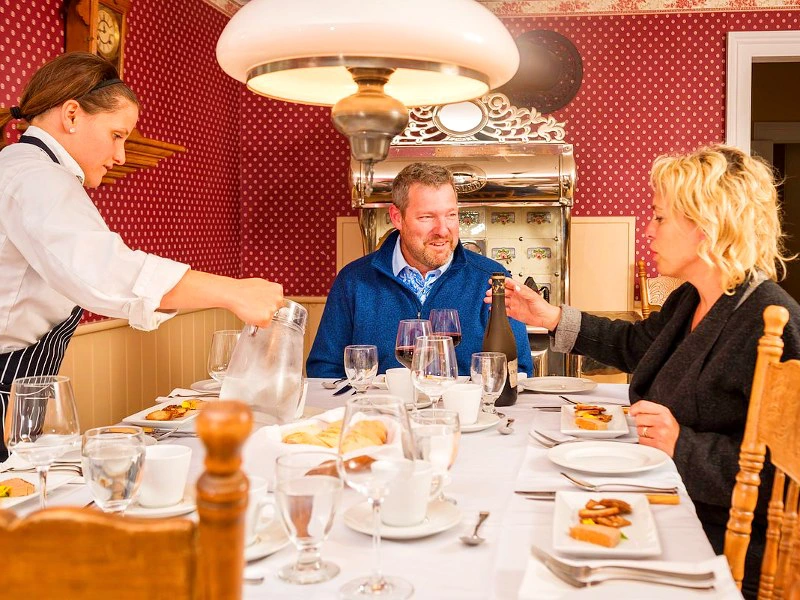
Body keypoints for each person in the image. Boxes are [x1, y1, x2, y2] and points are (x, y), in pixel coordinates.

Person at [490, 144, 800, 599]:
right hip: (669, 495)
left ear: (706, 227)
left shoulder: (771, 321)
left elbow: (784, 474)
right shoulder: (691, 299)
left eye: (659, 218)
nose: (649, 230)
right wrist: (552, 317)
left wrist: (684, 445)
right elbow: (636, 346)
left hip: (716, 542)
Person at [0, 52, 285, 460]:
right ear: (72, 115)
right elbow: (101, 270)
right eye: (117, 135)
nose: (120, 156)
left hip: (18, 390)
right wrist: (233, 291)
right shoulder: (34, 176)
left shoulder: (29, 171)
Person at [306, 162, 532, 379]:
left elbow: (517, 371)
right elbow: (324, 369)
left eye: (451, 215)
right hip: (383, 415)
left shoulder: (491, 279)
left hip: (466, 416)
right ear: (397, 217)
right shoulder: (353, 281)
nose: (443, 230)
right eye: (427, 217)